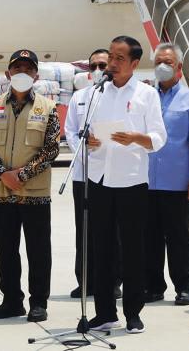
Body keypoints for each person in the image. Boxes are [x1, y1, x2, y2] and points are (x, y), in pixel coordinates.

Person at [85, 36, 166, 334]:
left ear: (134, 63)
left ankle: (133, 312)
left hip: (131, 181)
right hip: (100, 179)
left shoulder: (147, 94)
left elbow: (158, 138)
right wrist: (91, 142)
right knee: (101, 249)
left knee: (132, 249)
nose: (113, 63)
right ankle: (104, 312)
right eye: (111, 57)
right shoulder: (96, 92)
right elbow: (86, 134)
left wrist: (135, 138)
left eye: (120, 58)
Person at [0, 49, 60, 323]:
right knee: (6, 249)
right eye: (17, 68)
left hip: (34, 193)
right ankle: (12, 300)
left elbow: (51, 150)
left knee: (38, 250)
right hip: (1, 192)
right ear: (7, 73)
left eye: (28, 68)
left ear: (36, 75)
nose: (22, 72)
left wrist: (22, 175)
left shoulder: (48, 108)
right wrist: (3, 174)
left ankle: (39, 302)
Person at [145, 43, 189, 306]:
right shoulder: (146, 97)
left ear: (179, 67)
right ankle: (153, 286)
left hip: (177, 182)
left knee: (178, 236)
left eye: (168, 62)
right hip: (147, 182)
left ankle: (184, 285)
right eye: (158, 61)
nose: (163, 66)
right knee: (148, 236)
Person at [65, 48, 121, 300]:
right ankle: (85, 280)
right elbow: (71, 132)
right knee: (84, 229)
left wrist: (101, 153)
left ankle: (113, 281)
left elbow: (119, 132)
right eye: (93, 66)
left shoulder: (117, 97)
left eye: (102, 65)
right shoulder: (79, 97)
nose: (98, 70)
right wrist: (85, 153)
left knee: (111, 231)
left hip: (111, 173)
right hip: (83, 174)